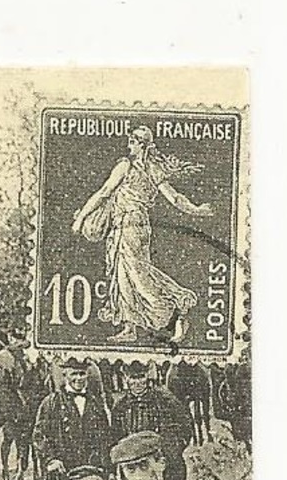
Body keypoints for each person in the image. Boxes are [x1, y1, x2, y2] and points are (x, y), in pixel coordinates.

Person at [72, 125, 214, 344]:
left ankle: (176, 316)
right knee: (125, 277)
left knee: (139, 278)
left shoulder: (126, 166)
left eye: (132, 140)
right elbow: (175, 198)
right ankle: (130, 328)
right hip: (132, 228)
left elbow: (104, 192)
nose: (129, 144)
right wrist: (196, 209)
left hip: (129, 227)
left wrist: (82, 217)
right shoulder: (153, 170)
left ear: (141, 145)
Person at [33, 355, 115, 480]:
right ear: (64, 374)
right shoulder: (51, 403)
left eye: (82, 374)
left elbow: (106, 439)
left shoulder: (95, 403)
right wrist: (51, 459)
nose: (78, 379)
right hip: (64, 473)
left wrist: (109, 471)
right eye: (73, 374)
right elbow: (39, 435)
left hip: (92, 471)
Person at [112, 359, 194, 480]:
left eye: (141, 377)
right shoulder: (120, 407)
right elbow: (115, 437)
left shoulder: (165, 400)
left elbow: (185, 427)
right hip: (134, 463)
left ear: (147, 376)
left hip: (165, 460)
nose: (137, 383)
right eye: (133, 378)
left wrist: (172, 450)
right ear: (126, 379)